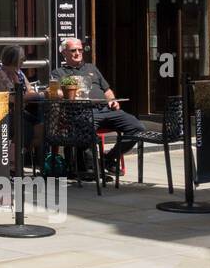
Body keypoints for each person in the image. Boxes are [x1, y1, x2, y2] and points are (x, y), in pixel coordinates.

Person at [50, 38, 146, 175]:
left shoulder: (91, 68)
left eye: (80, 50)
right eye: (73, 50)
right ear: (64, 53)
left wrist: (113, 100)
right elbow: (54, 92)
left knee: (137, 128)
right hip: (83, 112)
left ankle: (109, 157)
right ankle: (91, 168)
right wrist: (65, 92)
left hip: (107, 109)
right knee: (85, 129)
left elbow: (107, 90)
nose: (78, 53)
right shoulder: (59, 73)